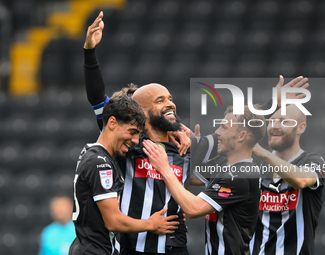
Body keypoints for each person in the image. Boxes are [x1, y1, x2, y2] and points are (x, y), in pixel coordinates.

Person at [83, 12, 191, 254]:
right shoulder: (129, 144)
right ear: (140, 113)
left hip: (174, 247)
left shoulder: (186, 146)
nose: (171, 104)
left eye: (171, 99)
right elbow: (98, 99)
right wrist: (90, 52)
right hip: (132, 247)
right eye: (160, 100)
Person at [143, 105, 267, 255]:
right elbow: (189, 177)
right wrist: (194, 151)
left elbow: (194, 209)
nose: (217, 132)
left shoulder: (241, 175)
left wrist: (164, 168)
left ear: (241, 136)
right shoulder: (225, 163)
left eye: (224, 128)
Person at [68, 96, 179, 255]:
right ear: (112, 123)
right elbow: (113, 221)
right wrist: (151, 224)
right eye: (132, 132)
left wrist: (177, 132)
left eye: (138, 134)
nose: (135, 140)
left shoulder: (93, 152)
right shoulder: (100, 163)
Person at [250, 104, 325, 255]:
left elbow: (301, 180)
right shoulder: (255, 163)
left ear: (301, 127)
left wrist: (264, 155)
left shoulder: (313, 161)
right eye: (271, 121)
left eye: (283, 121)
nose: (274, 127)